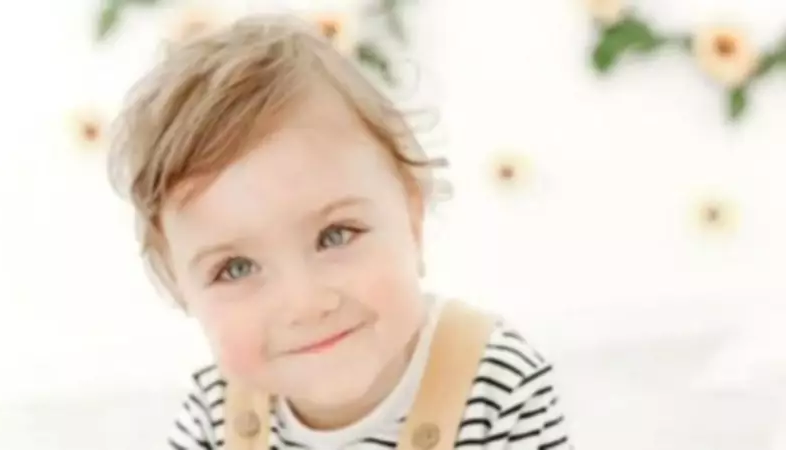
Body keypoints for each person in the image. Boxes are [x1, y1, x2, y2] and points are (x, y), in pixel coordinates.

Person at [109, 13, 572, 450]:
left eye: (335, 235)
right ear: (180, 290)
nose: (305, 304)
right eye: (236, 268)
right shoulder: (217, 413)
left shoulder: (495, 384)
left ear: (411, 217)